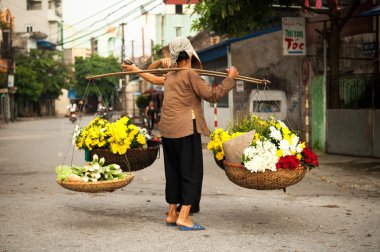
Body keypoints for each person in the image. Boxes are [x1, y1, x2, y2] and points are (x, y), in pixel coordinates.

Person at [122, 37, 238, 231]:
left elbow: (151, 75)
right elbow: (213, 95)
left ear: (175, 55)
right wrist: (230, 78)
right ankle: (183, 217)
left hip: (168, 131)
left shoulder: (171, 74)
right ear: (190, 53)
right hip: (186, 129)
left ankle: (171, 213)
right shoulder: (190, 74)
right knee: (191, 173)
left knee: (174, 172)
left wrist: (139, 68)